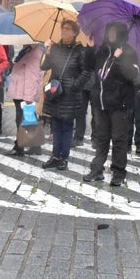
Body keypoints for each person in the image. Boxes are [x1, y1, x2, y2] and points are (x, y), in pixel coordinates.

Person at [82, 22, 140, 185]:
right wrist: (90, 48)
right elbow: (89, 66)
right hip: (101, 102)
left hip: (120, 104)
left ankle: (118, 172)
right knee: (101, 137)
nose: (111, 34)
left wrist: (120, 60)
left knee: (119, 139)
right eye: (109, 30)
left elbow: (133, 74)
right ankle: (97, 169)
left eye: (114, 31)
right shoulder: (103, 51)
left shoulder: (128, 52)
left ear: (120, 34)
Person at [41, 19, 88, 172]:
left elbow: (87, 71)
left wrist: (74, 85)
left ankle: (64, 158)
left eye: (68, 29)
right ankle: (55, 157)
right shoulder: (55, 48)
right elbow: (44, 66)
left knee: (67, 127)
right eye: (63, 28)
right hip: (56, 93)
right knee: (55, 126)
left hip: (70, 95)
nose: (64, 31)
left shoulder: (80, 50)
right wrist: (47, 51)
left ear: (75, 33)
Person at [6, 43, 44, 156]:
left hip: (24, 94)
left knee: (21, 119)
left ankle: (19, 146)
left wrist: (28, 98)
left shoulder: (34, 52)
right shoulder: (28, 50)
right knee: (30, 118)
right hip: (20, 91)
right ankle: (35, 146)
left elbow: (32, 77)